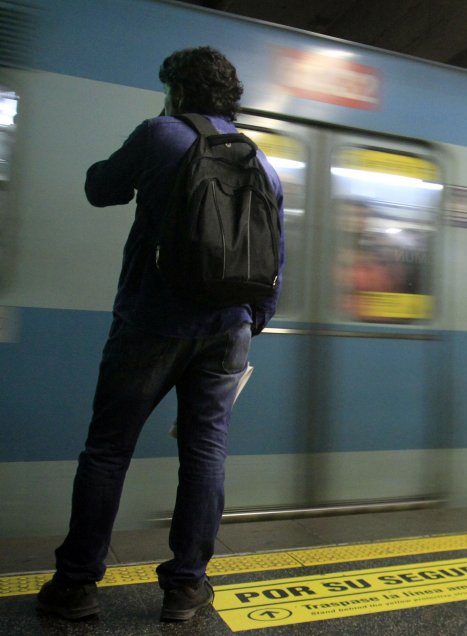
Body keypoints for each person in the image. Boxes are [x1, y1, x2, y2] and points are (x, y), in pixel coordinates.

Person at [36, 47, 284, 622]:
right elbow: (276, 258)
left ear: (175, 89)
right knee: (204, 453)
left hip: (151, 323)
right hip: (229, 329)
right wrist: (249, 324)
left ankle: (75, 584)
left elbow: (101, 188)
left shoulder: (159, 133)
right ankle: (185, 587)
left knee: (107, 450)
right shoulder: (262, 160)